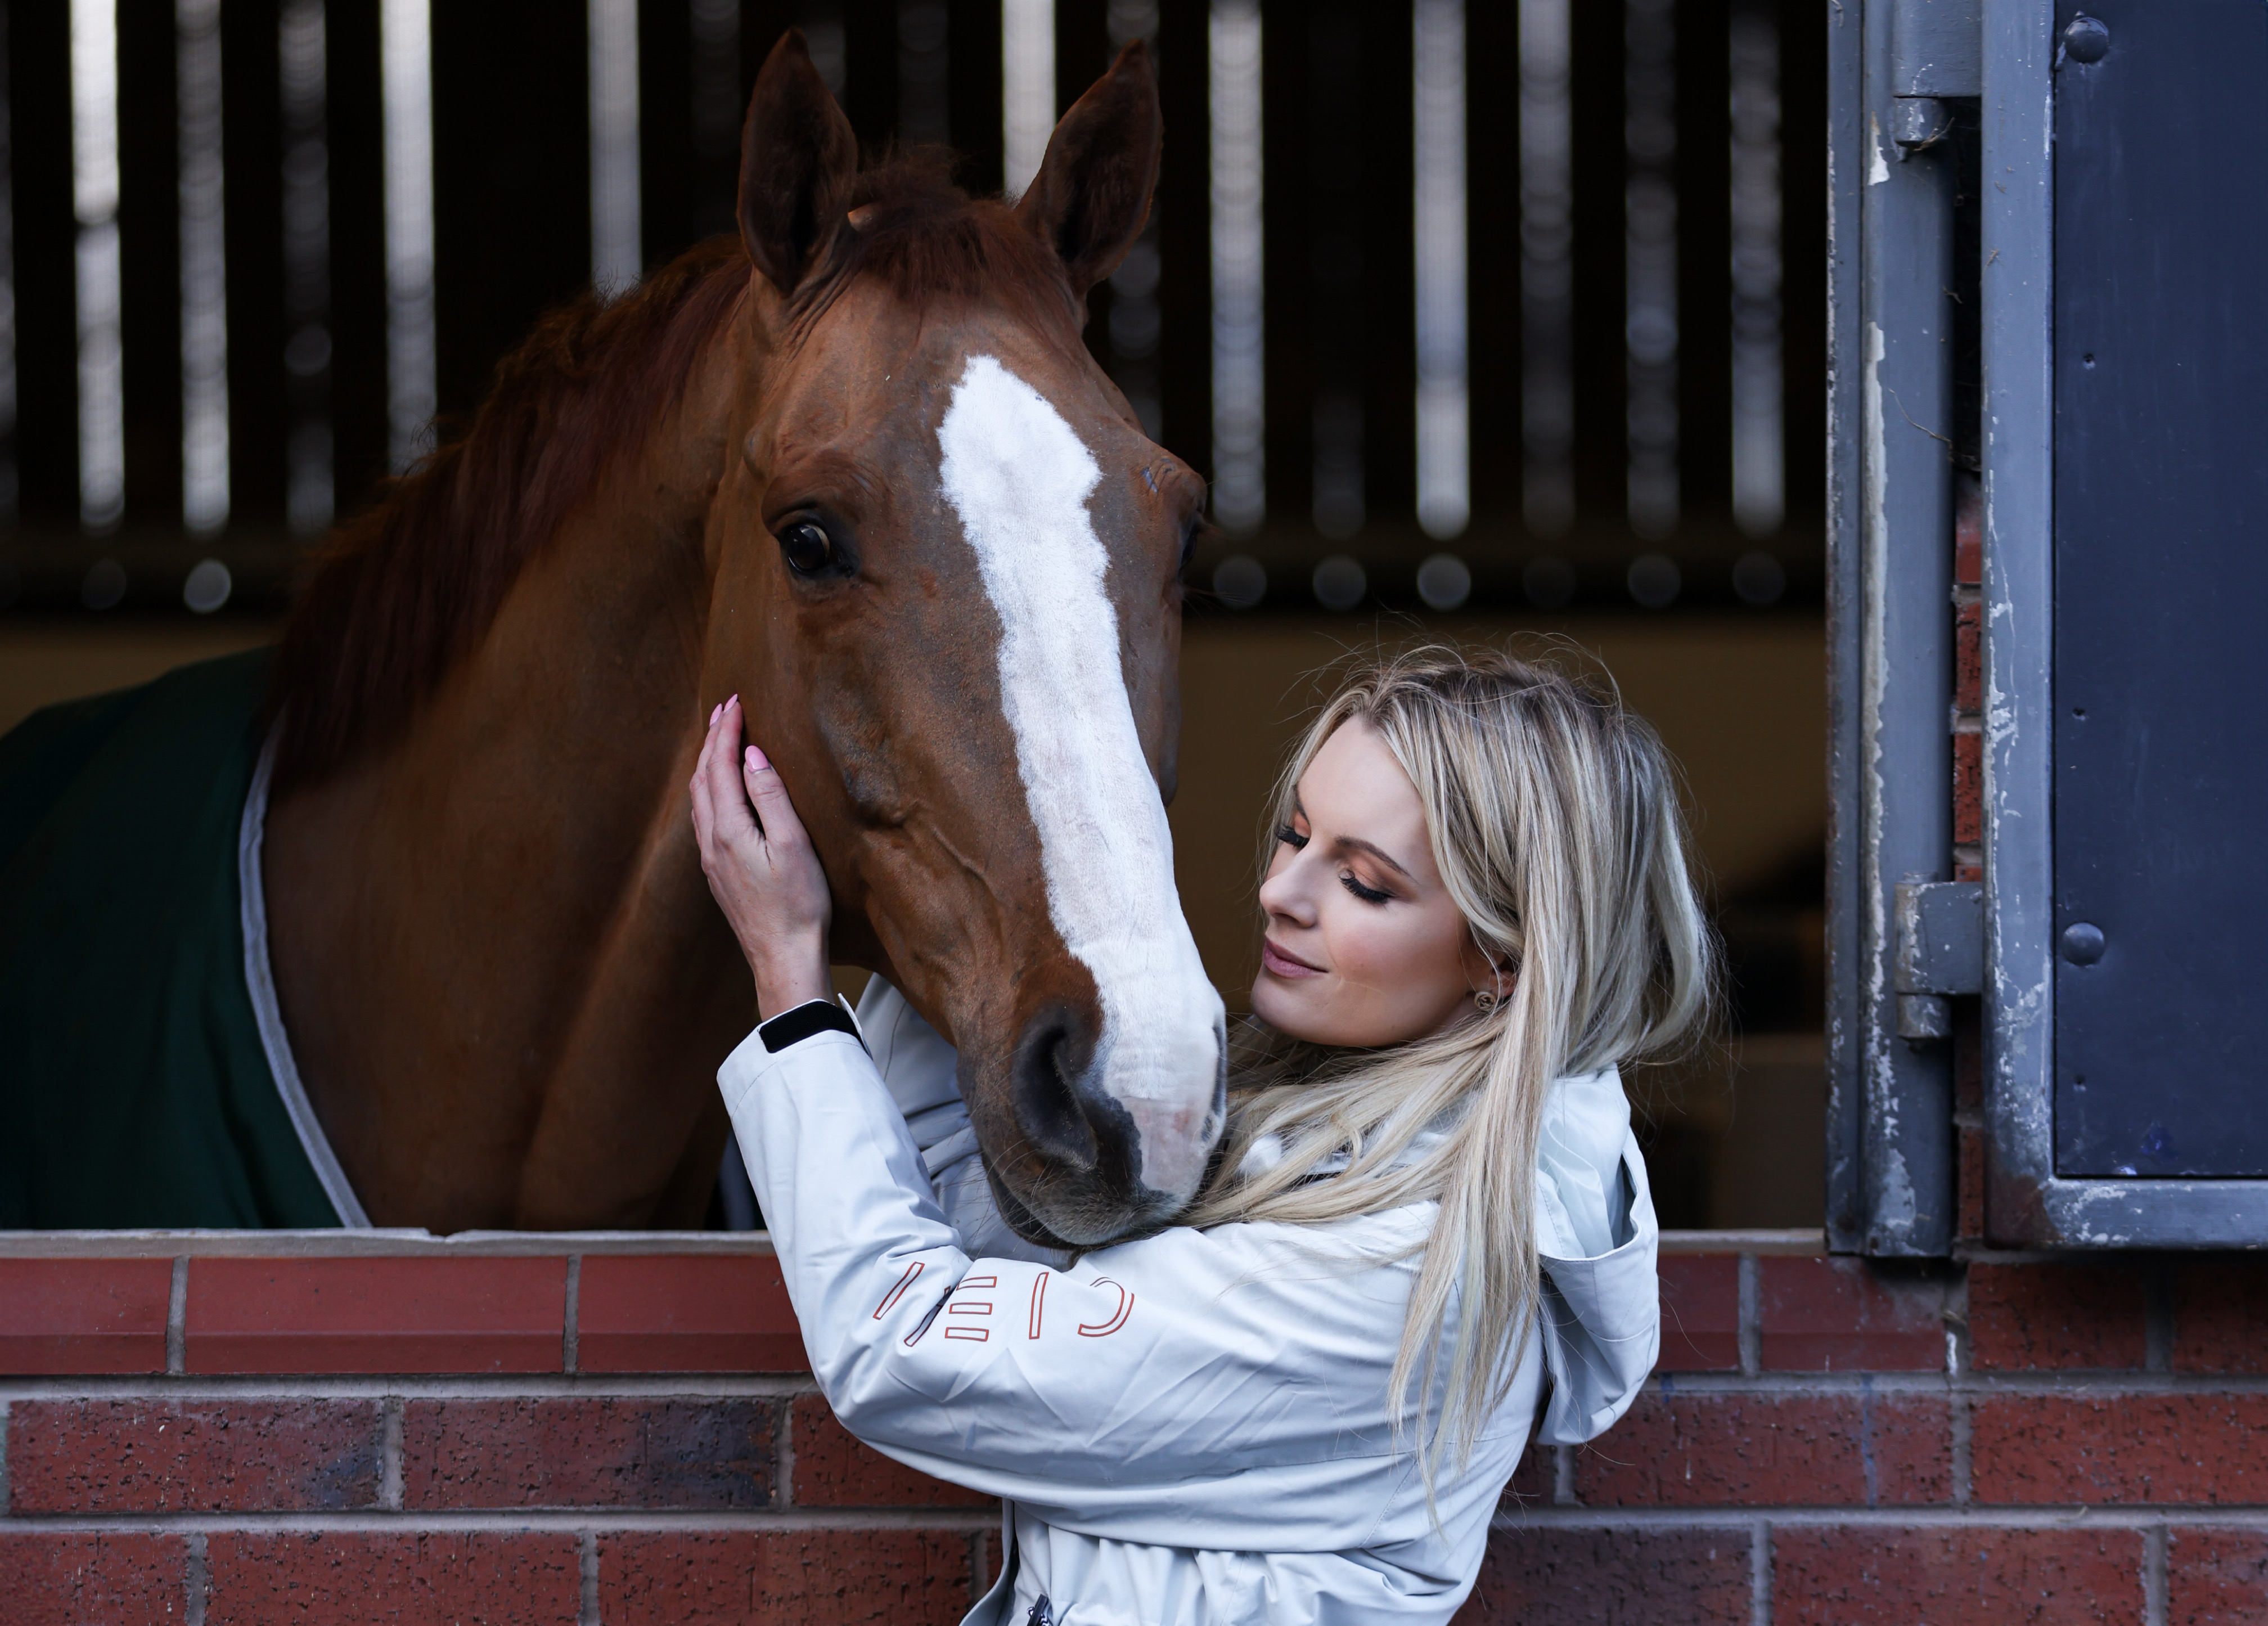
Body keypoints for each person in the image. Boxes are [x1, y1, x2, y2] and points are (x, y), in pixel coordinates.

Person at [689, 647, 1713, 1625]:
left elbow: (904, 1345)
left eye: (1363, 881)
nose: (1280, 892)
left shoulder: (1404, 1277)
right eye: (1295, 832)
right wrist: (980, 884)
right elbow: (971, 1228)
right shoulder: (1304, 1137)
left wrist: (788, 968)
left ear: (1498, 958)